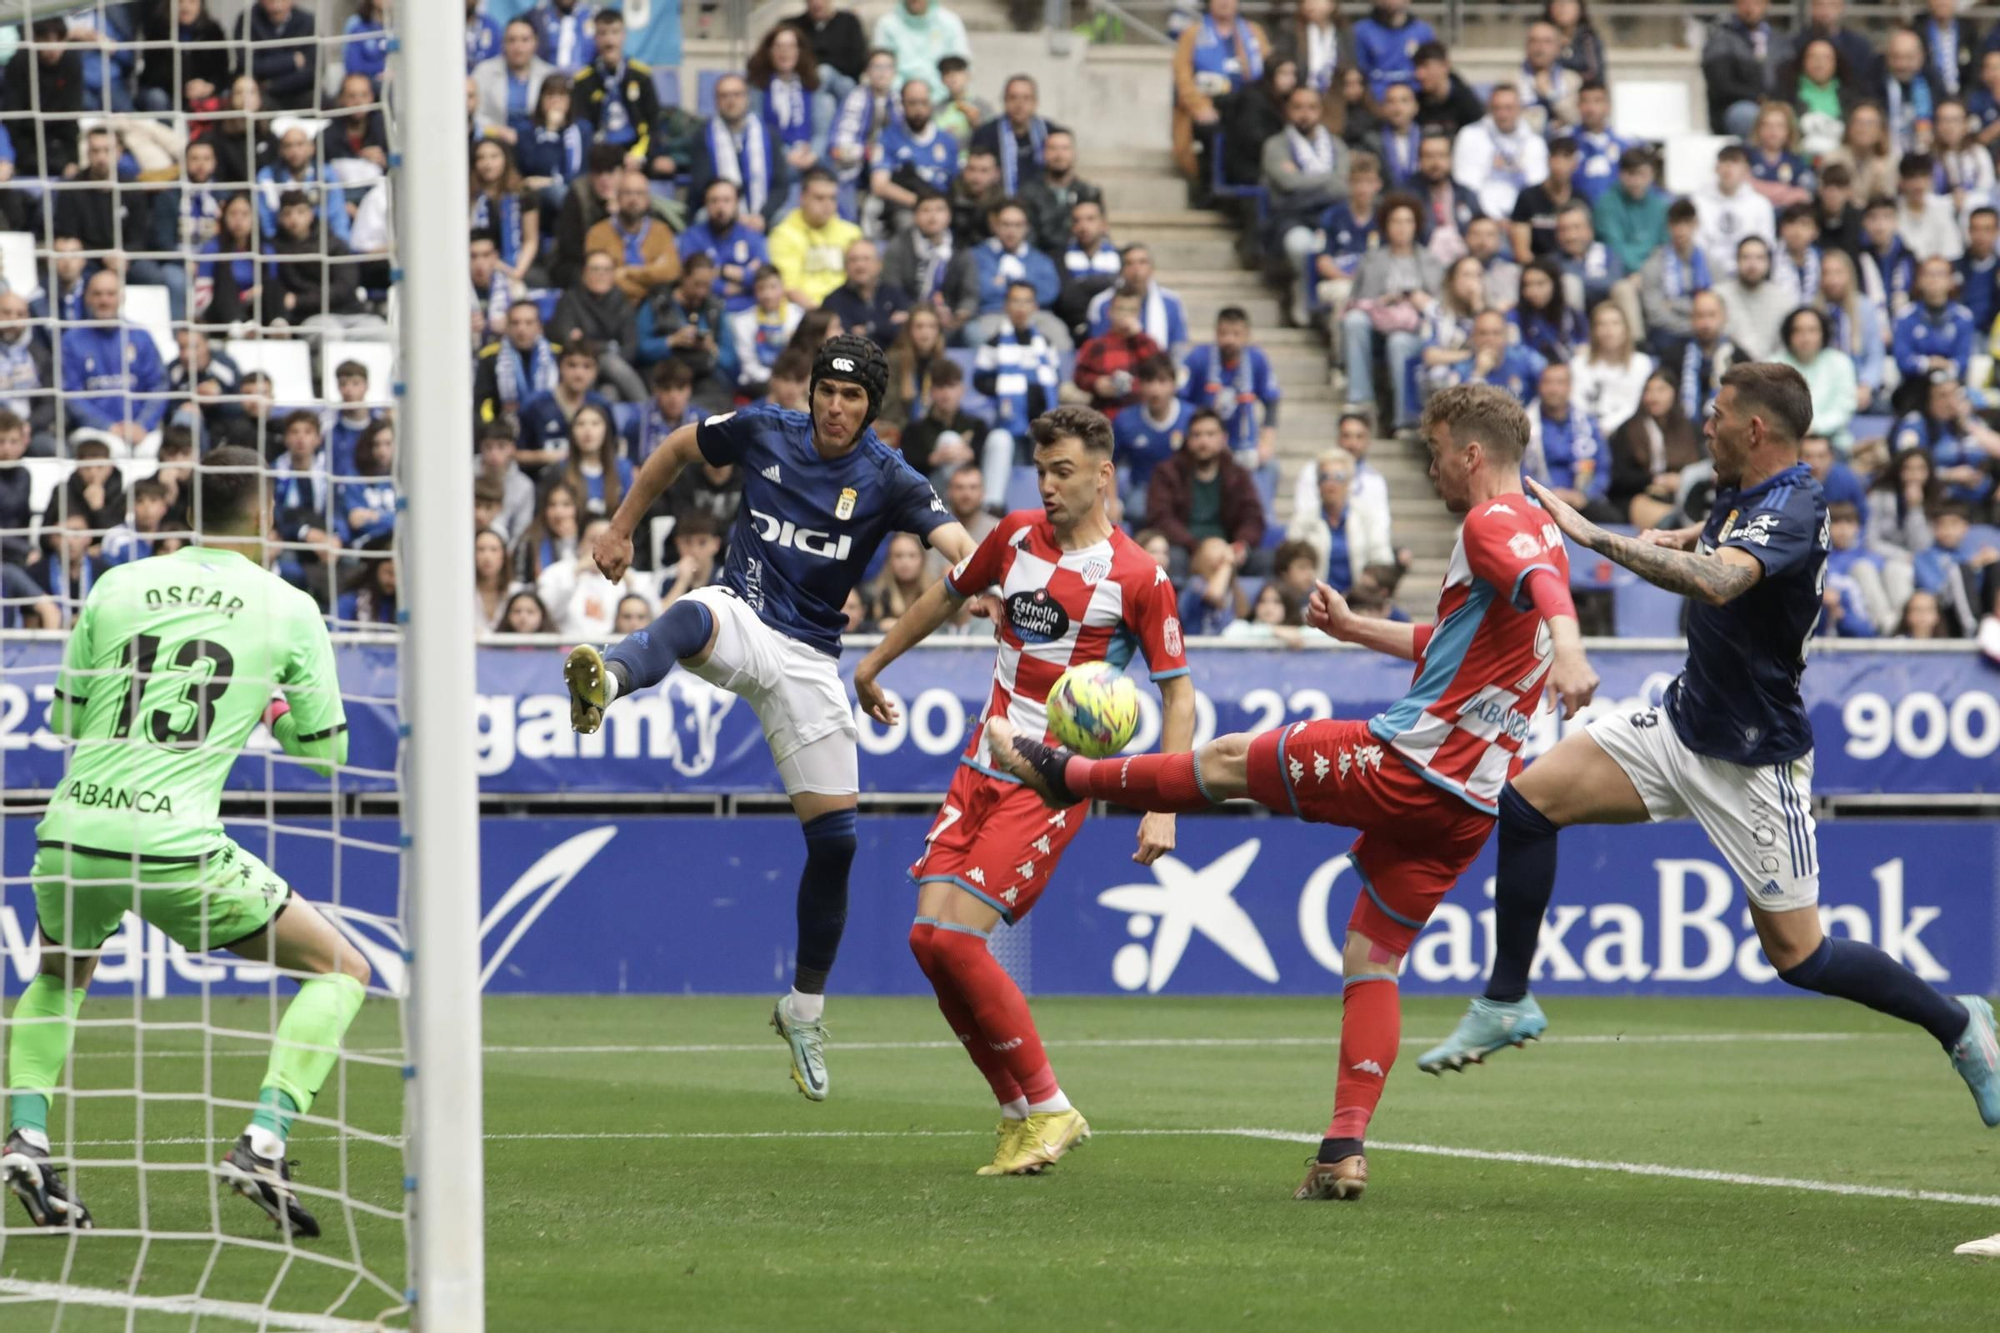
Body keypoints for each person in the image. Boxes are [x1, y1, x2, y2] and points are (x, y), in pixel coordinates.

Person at [990, 382, 1593, 1201]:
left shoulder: (1491, 522)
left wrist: (1570, 648)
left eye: (1434, 451)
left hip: (1409, 763)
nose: (1431, 467)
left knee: (1233, 759)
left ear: (1471, 453)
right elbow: (1455, 640)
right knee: (1370, 953)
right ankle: (1343, 1147)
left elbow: (1547, 601)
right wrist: (1353, 629)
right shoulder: (1539, 529)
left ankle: (1065, 772)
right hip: (1470, 802)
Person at [1418, 364, 2000, 1134]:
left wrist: (1600, 538)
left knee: (1802, 956)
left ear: (1756, 429)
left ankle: (1959, 1023)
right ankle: (1505, 999)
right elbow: (1722, 540)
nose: (1707, 420)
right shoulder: (1744, 488)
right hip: (1682, 723)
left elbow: (1724, 579)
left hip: (1753, 760)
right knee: (1528, 803)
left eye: (1718, 412)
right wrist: (1677, 533)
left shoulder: (1794, 500)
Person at [562, 336, 979, 1100]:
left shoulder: (888, 476)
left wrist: (976, 572)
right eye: (827, 389)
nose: (834, 404)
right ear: (812, 390)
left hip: (813, 661)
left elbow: (951, 537)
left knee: (837, 845)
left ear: (869, 409)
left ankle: (804, 1010)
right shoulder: (766, 428)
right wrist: (621, 525)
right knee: (694, 613)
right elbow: (680, 447)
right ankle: (609, 679)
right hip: (746, 615)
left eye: (852, 397)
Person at [2, 444, 369, 1237]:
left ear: (182, 512)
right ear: (267, 517)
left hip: (72, 828)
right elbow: (326, 752)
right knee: (341, 968)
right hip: (174, 842)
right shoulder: (288, 605)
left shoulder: (118, 582)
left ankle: (27, 1136)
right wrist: (268, 708)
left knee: (60, 977)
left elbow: (67, 721)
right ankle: (262, 1142)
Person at [848, 405, 1191, 1173]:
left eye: (1063, 471)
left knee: (960, 939)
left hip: (1047, 779)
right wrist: (872, 664)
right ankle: (1015, 1113)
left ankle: (1051, 1104)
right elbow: (943, 596)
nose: (1049, 484)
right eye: (1042, 470)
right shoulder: (1011, 538)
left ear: (1103, 475)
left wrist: (1163, 799)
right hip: (979, 765)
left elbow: (1179, 695)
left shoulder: (1140, 577)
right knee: (927, 941)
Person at [1339, 195, 1441, 429]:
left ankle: (1404, 419)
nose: (1402, 227)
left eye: (1408, 221)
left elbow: (1441, 307)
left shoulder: (1430, 260)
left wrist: (1419, 300)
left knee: (1399, 343)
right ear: (1386, 225)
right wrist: (1383, 300)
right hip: (1378, 322)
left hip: (1416, 328)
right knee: (1354, 320)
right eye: (1396, 221)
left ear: (1416, 225)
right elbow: (1357, 300)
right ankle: (1360, 399)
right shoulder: (1372, 259)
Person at [1144, 408, 1264, 574]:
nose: (1203, 441)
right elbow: (1161, 517)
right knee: (1173, 559)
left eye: (1210, 434)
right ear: (1188, 439)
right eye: (1197, 435)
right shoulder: (1168, 473)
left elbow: (1253, 516)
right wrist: (1197, 547)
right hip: (1185, 548)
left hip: (1228, 547)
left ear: (1223, 438)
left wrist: (1240, 544)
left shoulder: (1237, 474)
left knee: (1264, 560)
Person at [63, 271, 167, 456]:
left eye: (110, 294)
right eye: (97, 294)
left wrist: (142, 425)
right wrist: (107, 426)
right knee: (112, 450)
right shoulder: (71, 341)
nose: (104, 300)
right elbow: (71, 394)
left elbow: (158, 385)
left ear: (121, 297)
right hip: (95, 431)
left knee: (157, 450)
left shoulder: (140, 336)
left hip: (141, 431)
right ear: (87, 297)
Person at [1172, 0, 1272, 183]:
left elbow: (1268, 71)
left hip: (1245, 106)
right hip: (1208, 105)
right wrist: (1199, 106)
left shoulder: (1253, 32)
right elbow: (1182, 75)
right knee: (1212, 131)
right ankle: (1213, 186)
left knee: (1253, 130)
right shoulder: (1193, 33)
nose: (1224, 2)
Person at [1181, 306, 1281, 470]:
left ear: (1247, 335)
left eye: (1236, 334)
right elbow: (1180, 399)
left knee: (1271, 467)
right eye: (1224, 334)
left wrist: (1266, 443)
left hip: (1242, 443)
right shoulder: (1198, 357)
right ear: (1216, 333)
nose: (1229, 340)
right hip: (1203, 443)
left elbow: (1271, 402)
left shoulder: (1256, 359)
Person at [692, 75, 794, 232]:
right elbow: (703, 185)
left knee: (786, 219)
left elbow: (780, 185)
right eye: (724, 96)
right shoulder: (703, 135)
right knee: (701, 217)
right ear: (716, 101)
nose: (731, 101)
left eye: (737, 95)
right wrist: (735, 215)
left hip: (762, 215)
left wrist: (762, 216)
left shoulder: (768, 133)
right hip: (721, 209)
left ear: (747, 98)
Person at [1285, 448, 1391, 592]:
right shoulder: (1302, 520)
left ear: (1349, 482)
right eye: (1325, 477)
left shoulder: (1366, 516)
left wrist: (1369, 580)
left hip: (1358, 599)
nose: (1331, 483)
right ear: (1317, 483)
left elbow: (1382, 558)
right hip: (1314, 597)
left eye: (1338, 477)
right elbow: (1290, 564)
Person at [1607, 370, 1704, 527]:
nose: (1654, 397)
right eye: (1649, 390)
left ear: (1674, 393)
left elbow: (1702, 467)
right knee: (1673, 522)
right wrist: (1655, 480)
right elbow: (1619, 477)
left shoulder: (1690, 429)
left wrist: (1682, 480)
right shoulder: (1628, 430)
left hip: (1682, 496)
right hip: (1638, 497)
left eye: (1661, 390)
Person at [1113, 354, 1194, 521]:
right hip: (1143, 491)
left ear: (1174, 385)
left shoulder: (1192, 418)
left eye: (1162, 381)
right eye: (1149, 381)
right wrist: (1112, 501)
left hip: (1185, 490)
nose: (1155, 390)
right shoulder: (1125, 421)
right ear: (1140, 386)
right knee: (1136, 510)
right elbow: (1108, 463)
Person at [769, 169, 864, 308]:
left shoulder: (851, 233)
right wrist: (821, 315)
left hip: (848, 308)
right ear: (802, 198)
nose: (827, 205)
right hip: (804, 312)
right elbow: (789, 288)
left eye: (832, 198)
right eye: (819, 198)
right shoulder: (783, 235)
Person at [1452, 85, 1547, 221]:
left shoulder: (1535, 143)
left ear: (1520, 109)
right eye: (1497, 108)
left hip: (1522, 220)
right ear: (1489, 109)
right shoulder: (1470, 136)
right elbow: (1466, 185)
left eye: (1508, 108)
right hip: (1481, 219)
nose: (1503, 115)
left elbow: (1537, 186)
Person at [1568, 302, 1652, 452]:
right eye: (1602, 324)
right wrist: (1593, 430)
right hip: (1585, 435)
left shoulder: (1641, 364)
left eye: (1615, 323)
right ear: (1593, 331)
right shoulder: (1578, 364)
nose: (1609, 331)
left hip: (1626, 436)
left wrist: (1606, 426)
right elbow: (1576, 405)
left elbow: (1634, 406)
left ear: (1626, 329)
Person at [680, 178, 770, 316]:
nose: (720, 207)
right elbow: (693, 281)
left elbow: (763, 278)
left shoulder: (752, 237)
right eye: (714, 201)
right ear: (705, 204)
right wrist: (730, 284)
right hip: (706, 311)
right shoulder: (692, 238)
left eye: (727, 200)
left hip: (750, 311)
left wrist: (721, 271)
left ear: (736, 204)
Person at [1774, 307, 1859, 450]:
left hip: (1833, 443)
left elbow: (1844, 408)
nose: (1805, 337)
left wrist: (1814, 428)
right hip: (1786, 443)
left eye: (1812, 330)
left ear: (1823, 333)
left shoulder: (1840, 362)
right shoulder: (1773, 365)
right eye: (1798, 330)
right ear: (1788, 334)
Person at [1073, 287, 1160, 416]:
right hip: (1106, 413)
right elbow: (1079, 376)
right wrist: (1096, 383)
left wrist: (1138, 337)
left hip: (1141, 415)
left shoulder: (1147, 344)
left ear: (1139, 313)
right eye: (1120, 309)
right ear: (1110, 312)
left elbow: (1158, 369)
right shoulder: (1095, 345)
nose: (1125, 315)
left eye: (1132, 310)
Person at [1694, 146, 1778, 281]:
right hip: (1708, 277)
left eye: (1735, 162)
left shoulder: (1761, 205)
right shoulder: (1697, 203)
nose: (1728, 167)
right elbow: (1697, 247)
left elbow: (1766, 246)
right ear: (1716, 168)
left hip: (1749, 277)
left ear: (1746, 170)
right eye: (1724, 161)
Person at [1704, 0, 1779, 137]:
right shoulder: (1720, 40)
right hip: (1733, 109)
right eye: (1745, 3)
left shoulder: (1777, 41)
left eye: (1756, 3)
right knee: (1750, 116)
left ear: (1767, 5)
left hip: (1773, 105)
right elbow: (1721, 86)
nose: (1750, 9)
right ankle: (1758, 158)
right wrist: (1757, 97)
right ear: (1735, 5)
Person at [872, 0, 969, 102]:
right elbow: (879, 68)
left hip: (943, 99)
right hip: (896, 100)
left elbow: (961, 67)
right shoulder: (886, 24)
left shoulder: (950, 22)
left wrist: (935, 96)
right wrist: (911, 94)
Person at [1715, 237, 1791, 361]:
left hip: (1772, 371)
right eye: (1746, 257)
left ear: (1769, 263)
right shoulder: (1718, 296)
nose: (1752, 264)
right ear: (1736, 261)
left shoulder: (1783, 299)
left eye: (1759, 258)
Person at [822, 240, 910, 346]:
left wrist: (867, 329)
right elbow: (846, 339)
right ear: (845, 266)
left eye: (866, 259)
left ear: (879, 264)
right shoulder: (833, 301)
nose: (860, 265)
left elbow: (906, 329)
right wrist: (887, 324)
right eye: (853, 260)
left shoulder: (895, 294)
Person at [1353, 0, 1435, 104]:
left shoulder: (1423, 32)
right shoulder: (1360, 32)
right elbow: (1357, 73)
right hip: (1375, 104)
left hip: (1417, 103)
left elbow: (1432, 72)